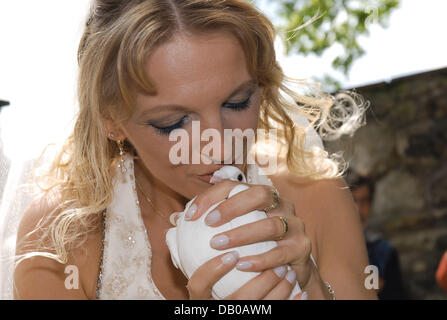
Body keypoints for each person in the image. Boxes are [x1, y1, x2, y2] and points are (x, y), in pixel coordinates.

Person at [8, 0, 375, 300]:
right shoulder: (62, 239)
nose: (218, 146)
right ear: (111, 120)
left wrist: (311, 289)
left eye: (237, 102)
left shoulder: (316, 194)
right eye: (171, 123)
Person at [348, 173, 408, 299]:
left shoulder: (384, 252)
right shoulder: (327, 248)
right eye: (353, 200)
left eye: (364, 201)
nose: (358, 209)